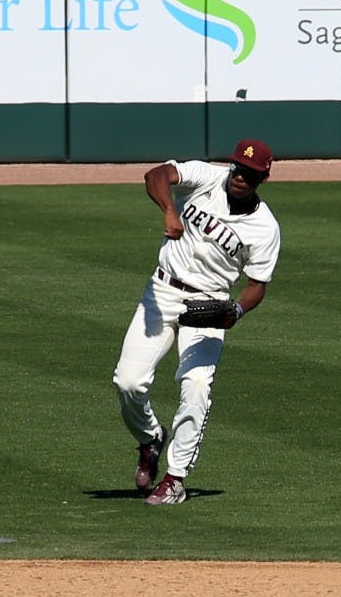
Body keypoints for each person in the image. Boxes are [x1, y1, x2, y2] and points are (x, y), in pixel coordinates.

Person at [112, 139, 281, 505]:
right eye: (238, 168)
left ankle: (174, 478)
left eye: (250, 174)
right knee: (128, 382)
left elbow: (257, 286)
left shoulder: (265, 228)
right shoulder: (208, 177)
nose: (239, 177)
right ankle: (150, 438)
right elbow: (156, 174)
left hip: (208, 305)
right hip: (162, 292)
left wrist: (236, 311)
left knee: (197, 386)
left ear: (263, 178)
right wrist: (170, 211)